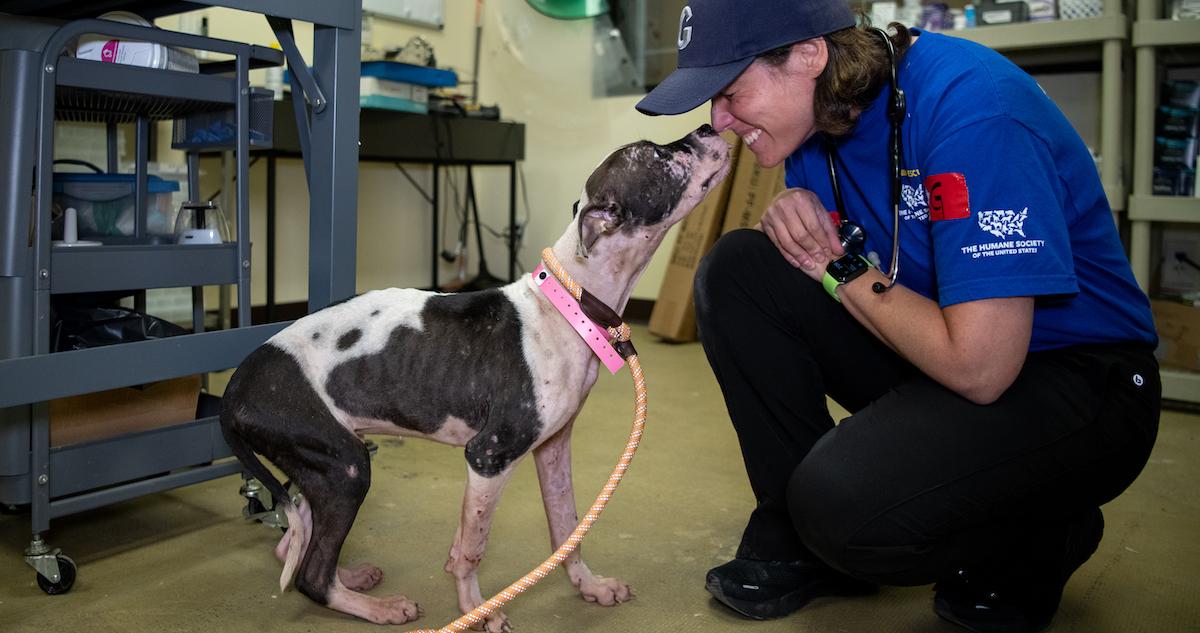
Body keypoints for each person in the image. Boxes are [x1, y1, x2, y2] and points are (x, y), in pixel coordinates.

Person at [636, 2, 1161, 632]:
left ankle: (1042, 522)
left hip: (1077, 380)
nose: (718, 120)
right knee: (740, 269)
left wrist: (835, 264)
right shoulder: (816, 123)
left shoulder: (973, 107)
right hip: (938, 345)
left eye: (729, 91)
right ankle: (803, 543)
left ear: (809, 54)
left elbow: (981, 367)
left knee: (841, 508)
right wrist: (802, 227)